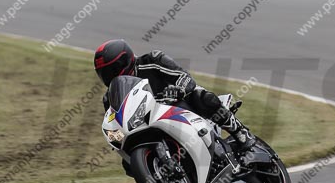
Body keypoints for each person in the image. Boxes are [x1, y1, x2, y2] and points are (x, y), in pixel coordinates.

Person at [94, 40, 255, 154]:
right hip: (150, 125)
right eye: (105, 73)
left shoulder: (152, 60)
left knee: (201, 97)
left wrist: (178, 89)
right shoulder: (109, 98)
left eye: (113, 69)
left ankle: (241, 133)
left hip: (180, 106)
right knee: (127, 162)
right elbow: (115, 123)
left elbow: (184, 76)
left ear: (125, 61)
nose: (110, 76)